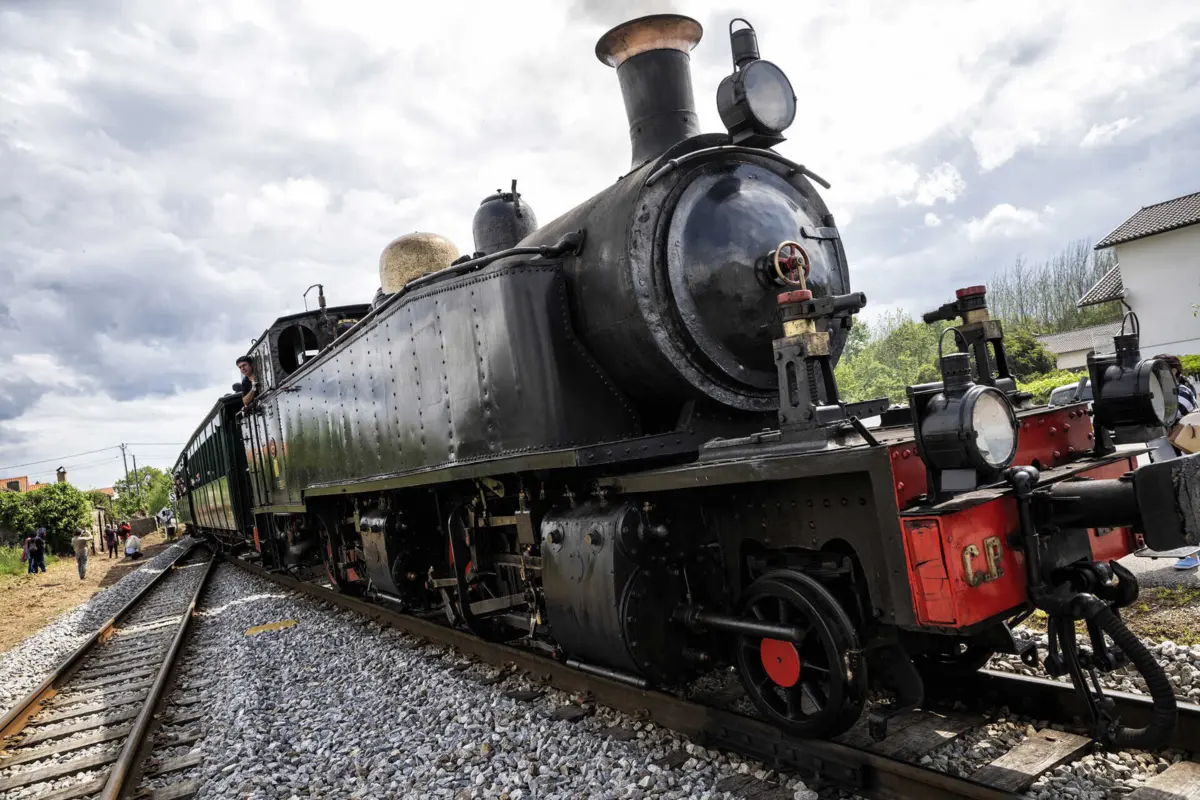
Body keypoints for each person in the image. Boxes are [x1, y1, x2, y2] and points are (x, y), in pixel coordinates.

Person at [1156, 355, 1200, 569]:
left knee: (1185, 504)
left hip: (1181, 457)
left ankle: (1191, 554)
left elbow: (1167, 417)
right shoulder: (1166, 393)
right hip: (1170, 456)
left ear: (1173, 371)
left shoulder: (1181, 391)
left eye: (1160, 370)